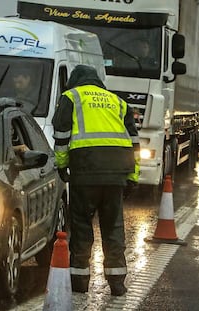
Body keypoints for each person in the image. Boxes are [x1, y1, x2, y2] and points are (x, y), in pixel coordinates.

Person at [52, 65, 140, 296]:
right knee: (113, 228)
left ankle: (79, 282)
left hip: (85, 173)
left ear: (74, 81)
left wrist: (62, 166)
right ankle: (117, 282)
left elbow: (61, 137)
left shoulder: (71, 97)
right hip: (116, 174)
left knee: (81, 227)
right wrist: (133, 176)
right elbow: (134, 142)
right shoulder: (118, 101)